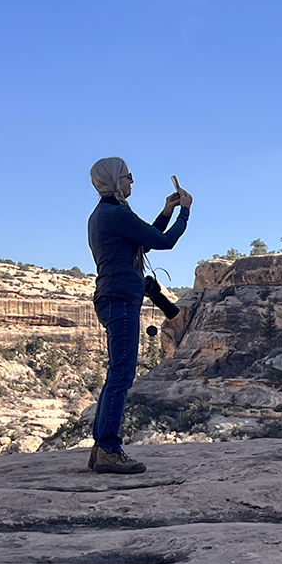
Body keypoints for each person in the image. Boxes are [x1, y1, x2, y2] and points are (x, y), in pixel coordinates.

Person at [87, 157, 192, 474]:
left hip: (113, 297)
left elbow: (142, 243)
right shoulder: (116, 214)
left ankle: (101, 447)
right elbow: (163, 242)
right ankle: (109, 448)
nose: (131, 181)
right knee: (121, 375)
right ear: (113, 180)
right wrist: (185, 212)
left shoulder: (105, 214)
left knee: (116, 374)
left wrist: (166, 211)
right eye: (127, 176)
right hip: (120, 299)